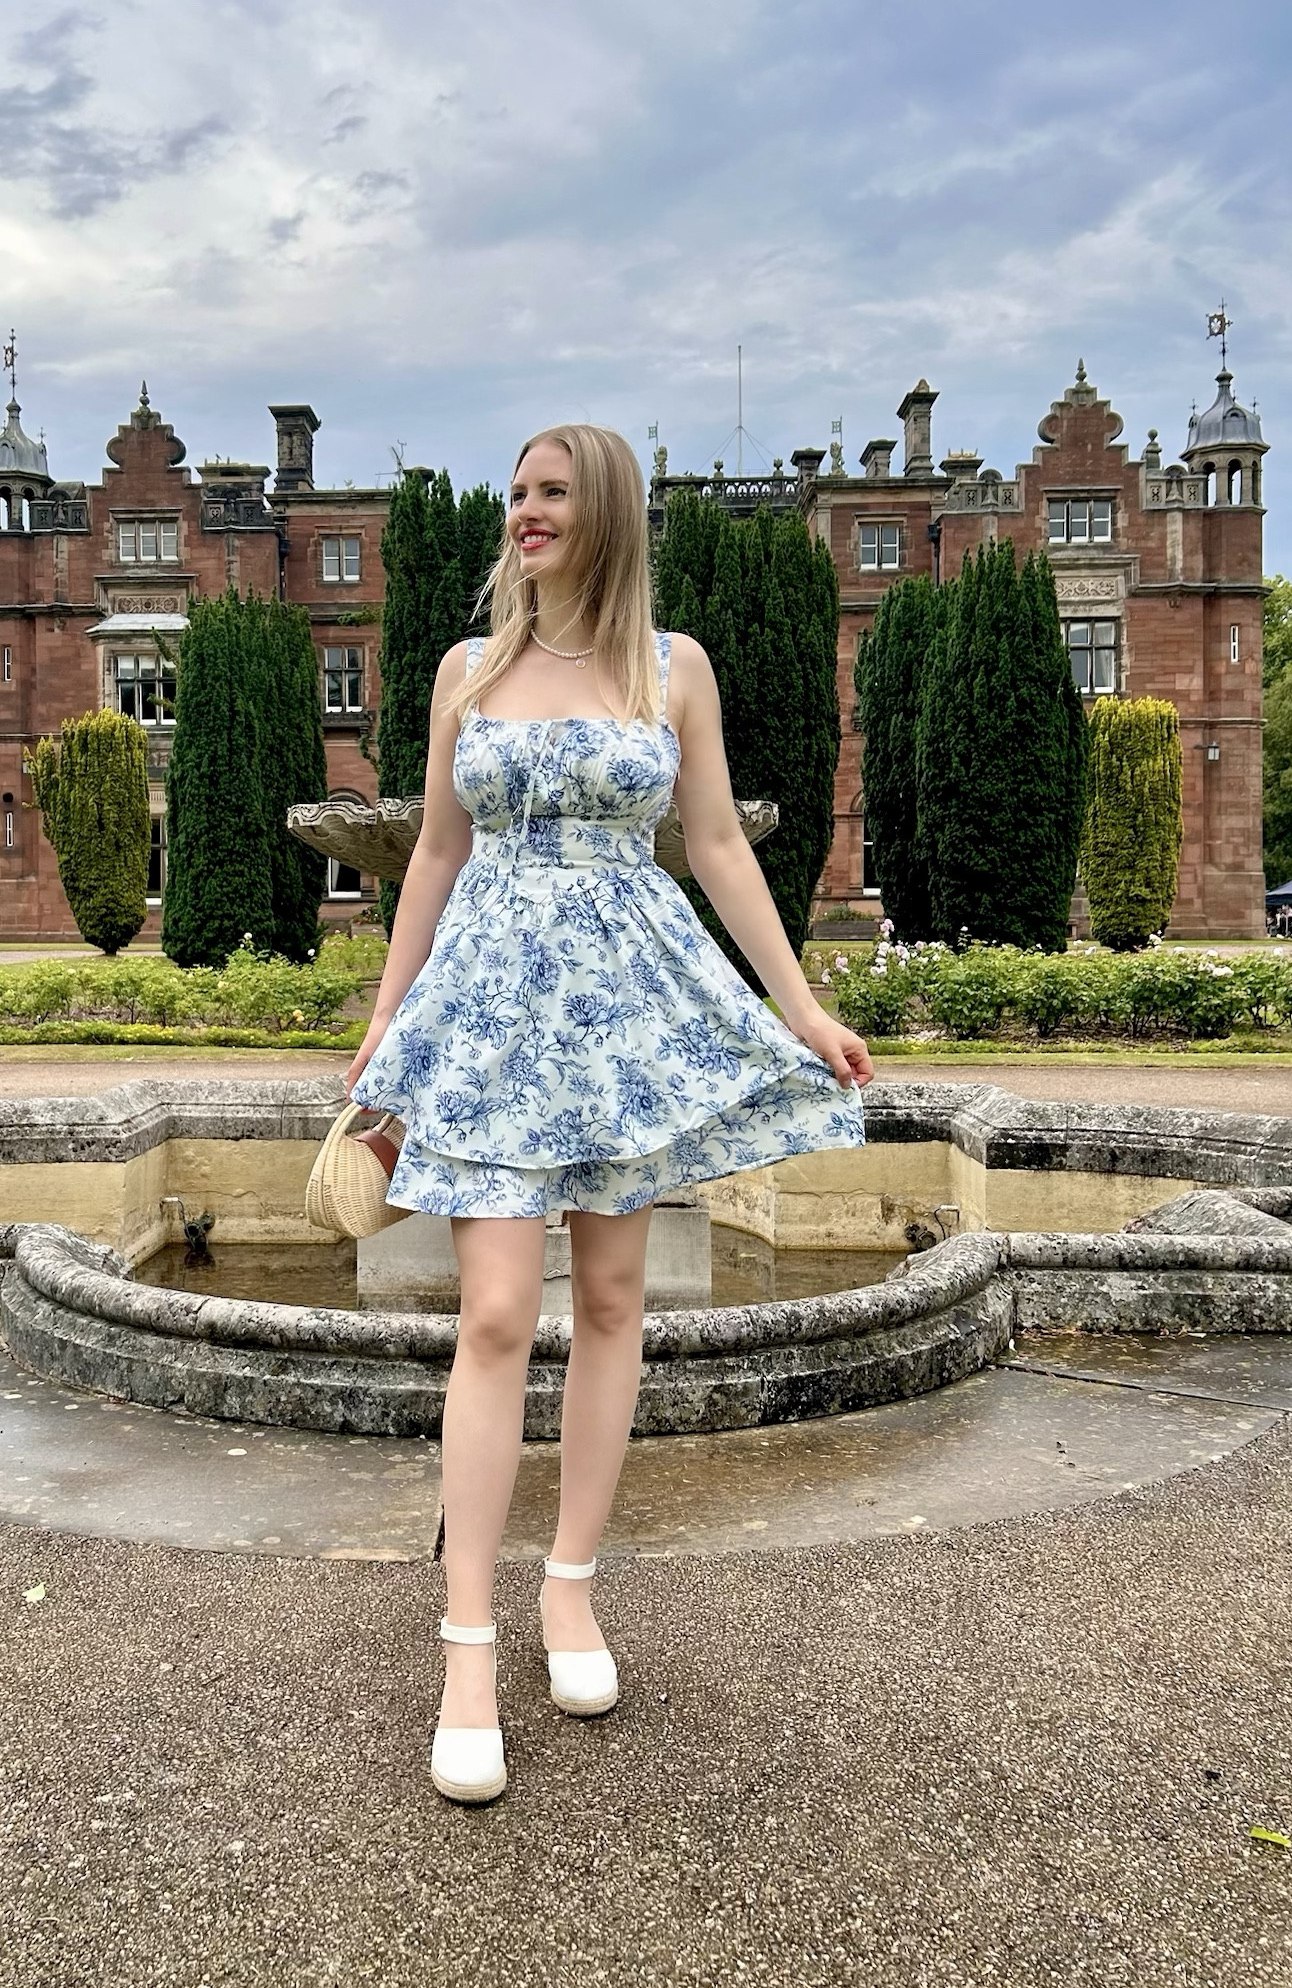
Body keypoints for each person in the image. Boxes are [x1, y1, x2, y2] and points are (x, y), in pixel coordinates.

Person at [347, 423, 873, 1805]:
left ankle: (566, 1589)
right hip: (492, 1006)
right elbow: (432, 856)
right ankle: (468, 1642)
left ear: (608, 512)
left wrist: (800, 1005)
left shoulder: (672, 665)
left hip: (627, 1001)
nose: (523, 512)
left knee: (620, 1297)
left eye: (550, 493)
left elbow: (711, 844)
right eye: (516, 491)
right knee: (494, 1314)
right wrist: (385, 1021)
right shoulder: (466, 670)